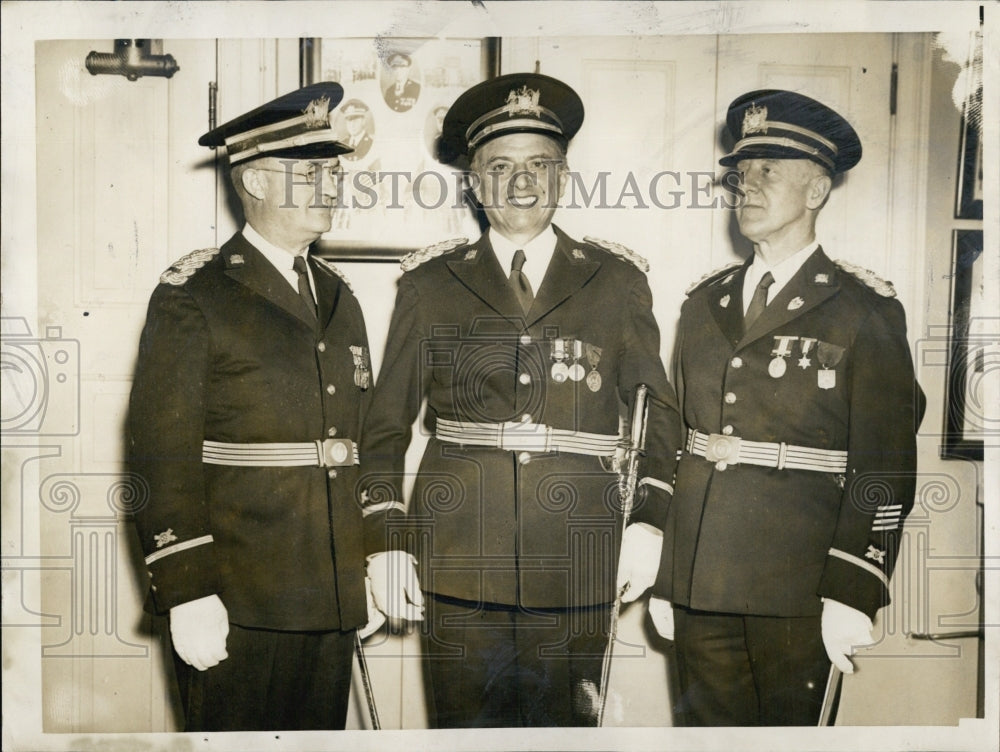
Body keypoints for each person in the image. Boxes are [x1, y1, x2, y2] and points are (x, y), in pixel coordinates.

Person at [359, 72, 682, 727]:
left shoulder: (617, 281)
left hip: (581, 552)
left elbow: (658, 415)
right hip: (457, 555)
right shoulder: (429, 284)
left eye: (541, 165)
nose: (523, 183)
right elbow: (383, 428)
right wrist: (385, 540)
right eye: (500, 167)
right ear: (474, 184)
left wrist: (649, 522)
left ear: (564, 178)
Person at [649, 89, 926, 726]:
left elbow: (884, 464)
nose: (745, 186)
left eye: (768, 172)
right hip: (700, 580)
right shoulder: (703, 304)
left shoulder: (865, 309)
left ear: (817, 190)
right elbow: (675, 440)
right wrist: (668, 573)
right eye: (739, 175)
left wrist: (855, 588)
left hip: (803, 586)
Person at [128, 82, 380, 731]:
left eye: (333, 170)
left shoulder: (339, 297)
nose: (330, 185)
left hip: (329, 596)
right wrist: (186, 589)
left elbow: (357, 444)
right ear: (257, 181)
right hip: (236, 600)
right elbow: (161, 454)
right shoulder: (197, 295)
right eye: (308, 172)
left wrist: (368, 563)